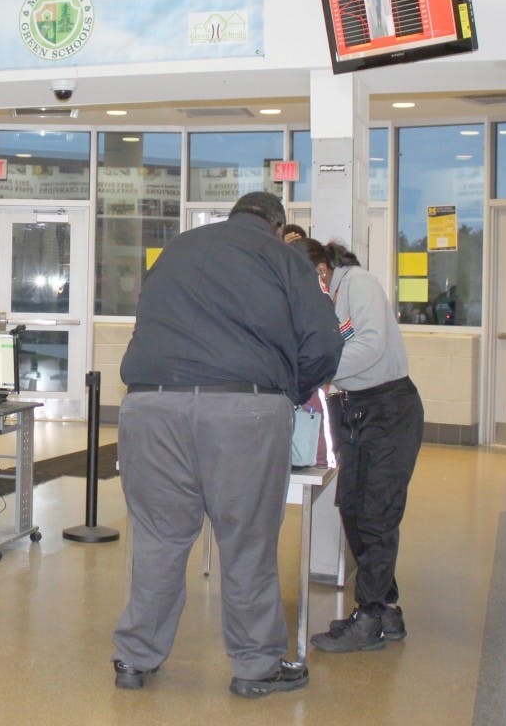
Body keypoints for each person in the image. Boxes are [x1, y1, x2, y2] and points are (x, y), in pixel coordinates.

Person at [111, 191, 343, 699]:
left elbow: (145, 321)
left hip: (150, 407)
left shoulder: (178, 249)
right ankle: (255, 666)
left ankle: (134, 656)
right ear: (278, 226)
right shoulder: (285, 259)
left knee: (158, 539)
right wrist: (289, 390)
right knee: (247, 541)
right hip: (243, 409)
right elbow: (325, 343)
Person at [300, 240, 425, 653]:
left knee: (377, 511)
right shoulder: (323, 300)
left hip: (389, 407)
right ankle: (386, 606)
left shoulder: (359, 283)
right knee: (352, 506)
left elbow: (369, 344)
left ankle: (369, 615)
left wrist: (318, 370)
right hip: (350, 409)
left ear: (322, 269)